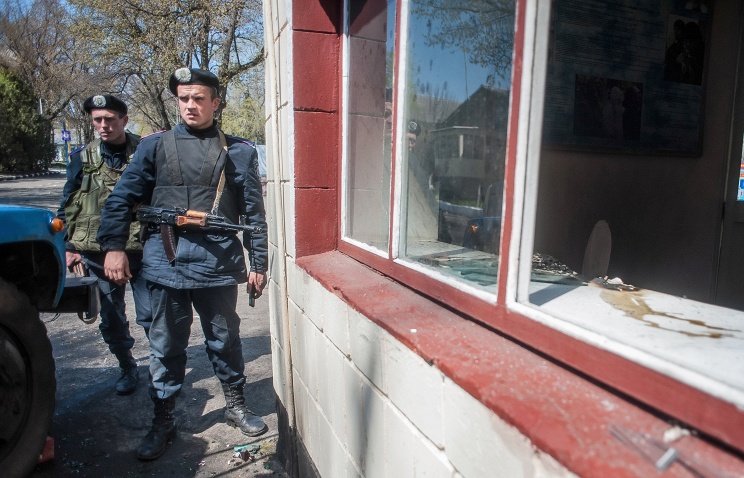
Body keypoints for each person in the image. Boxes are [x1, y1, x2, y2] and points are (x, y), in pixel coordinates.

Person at [96, 68, 269, 461]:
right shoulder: (154, 147)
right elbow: (121, 199)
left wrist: (258, 262)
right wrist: (113, 247)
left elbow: (253, 214)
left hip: (217, 263)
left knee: (225, 339)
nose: (190, 105)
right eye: (184, 98)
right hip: (165, 260)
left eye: (199, 98)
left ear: (215, 103)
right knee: (165, 345)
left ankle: (235, 405)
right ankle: (164, 419)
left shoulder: (239, 151)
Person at [57, 94, 151, 396]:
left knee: (153, 315)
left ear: (124, 120)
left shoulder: (147, 151)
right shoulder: (81, 158)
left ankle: (163, 370)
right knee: (111, 317)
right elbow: (68, 204)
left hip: (144, 248)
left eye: (110, 119)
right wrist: (70, 247)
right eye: (97, 120)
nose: (103, 125)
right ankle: (127, 366)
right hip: (98, 251)